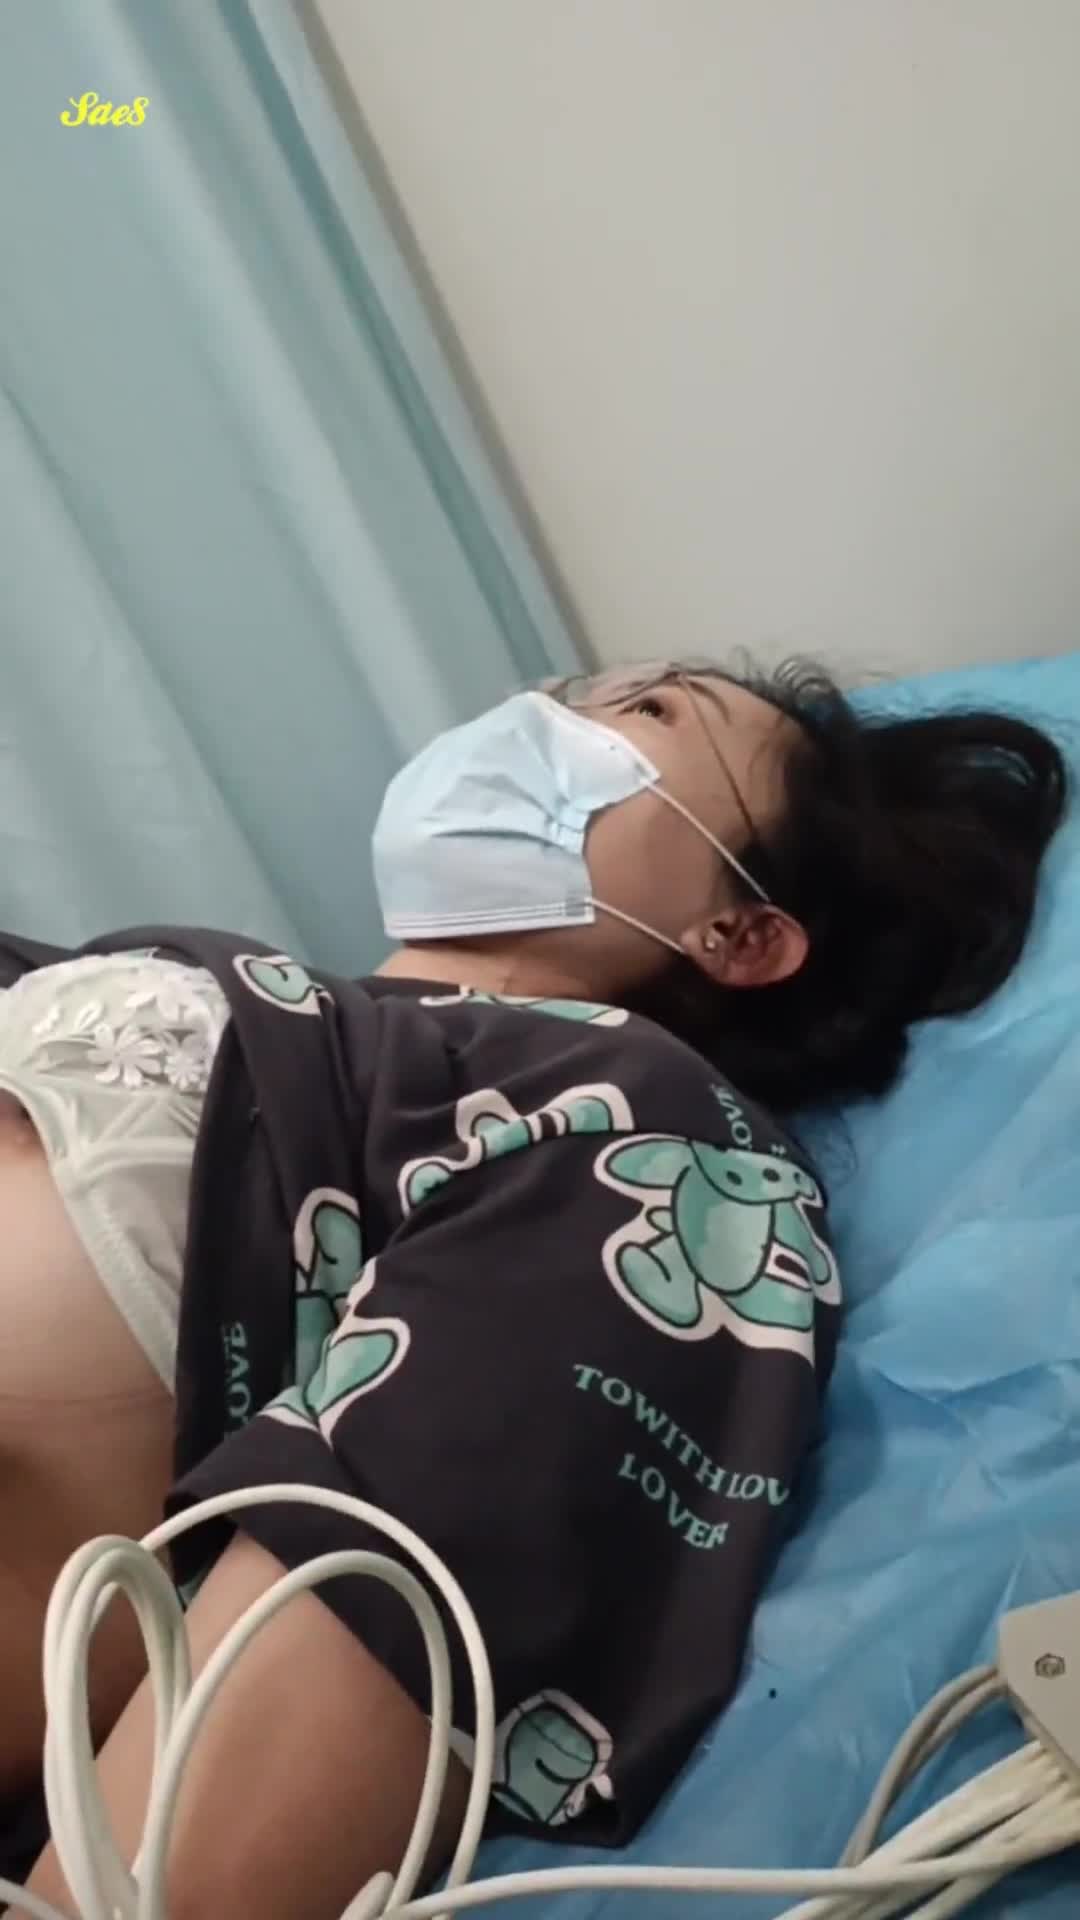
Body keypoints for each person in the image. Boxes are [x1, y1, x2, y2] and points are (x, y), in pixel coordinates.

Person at [0, 659, 1066, 1920]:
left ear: (741, 934)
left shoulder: (639, 1129)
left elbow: (406, 1568)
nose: (547, 714)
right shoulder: (198, 979)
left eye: (652, 710)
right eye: (573, 687)